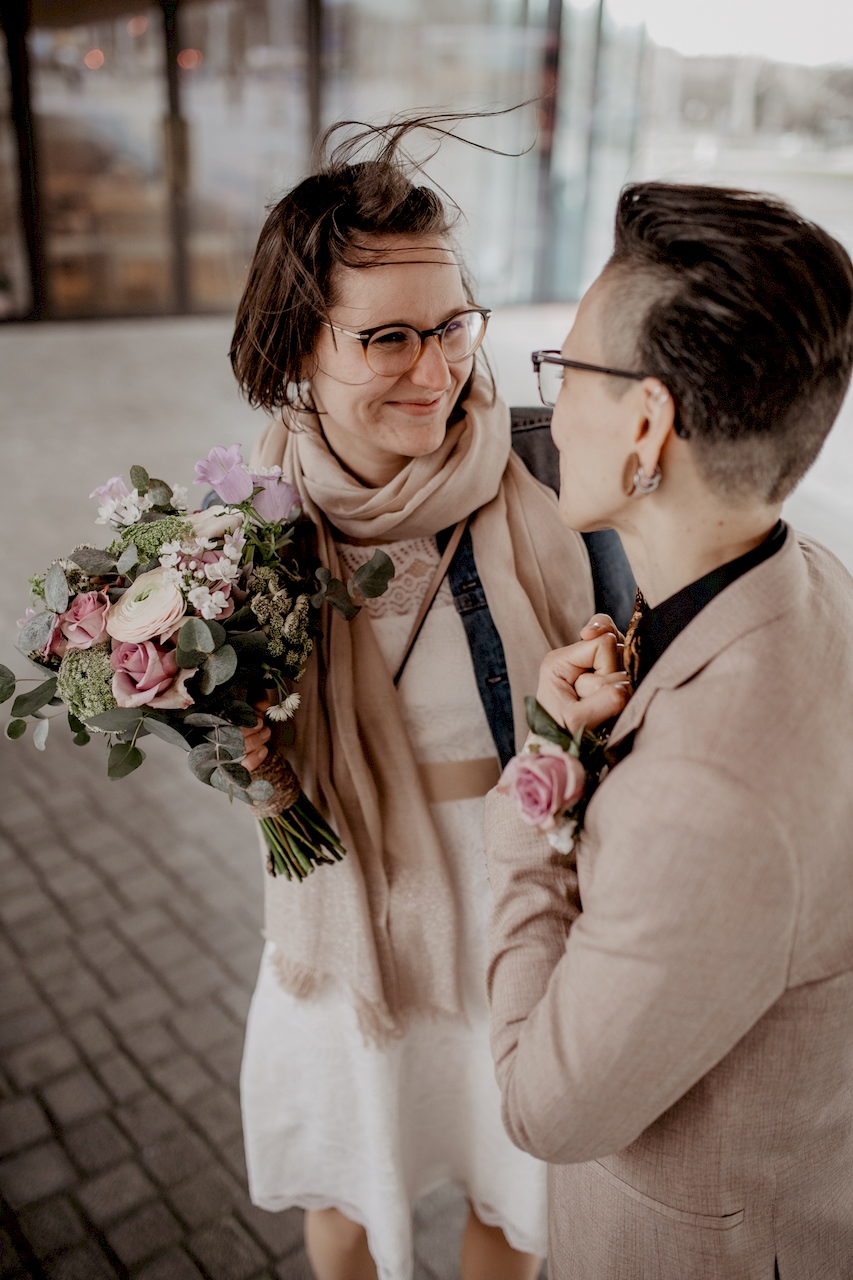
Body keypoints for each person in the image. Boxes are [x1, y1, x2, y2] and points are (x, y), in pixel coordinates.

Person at [228, 122, 596, 1280]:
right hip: (352, 913)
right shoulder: (244, 534)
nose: (435, 373)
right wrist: (239, 748)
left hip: (523, 902)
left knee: (513, 1187)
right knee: (350, 1176)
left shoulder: (543, 470)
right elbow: (251, 752)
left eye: (449, 327)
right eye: (387, 336)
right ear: (299, 345)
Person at [484, 181, 853, 1279]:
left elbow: (540, 1107)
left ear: (646, 421)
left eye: (564, 371)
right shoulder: (815, 582)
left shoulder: (708, 793)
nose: (546, 408)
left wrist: (538, 773)